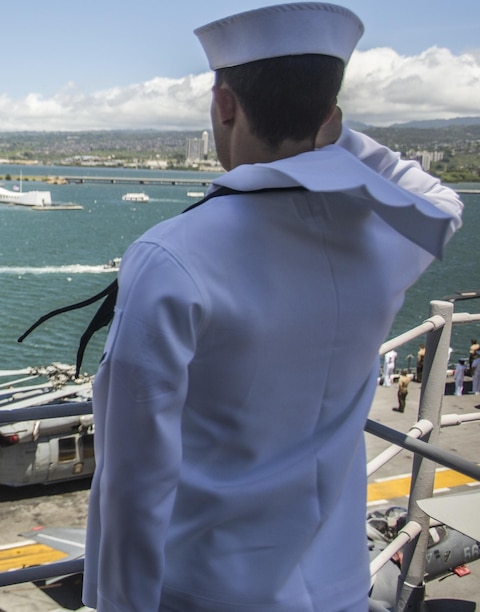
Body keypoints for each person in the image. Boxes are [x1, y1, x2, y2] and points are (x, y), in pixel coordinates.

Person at [82, 4, 463, 611]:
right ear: (332, 116)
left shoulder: (172, 255)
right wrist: (324, 128)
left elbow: (134, 483)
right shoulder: (384, 238)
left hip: (205, 595)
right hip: (338, 588)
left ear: (225, 106)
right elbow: (438, 200)